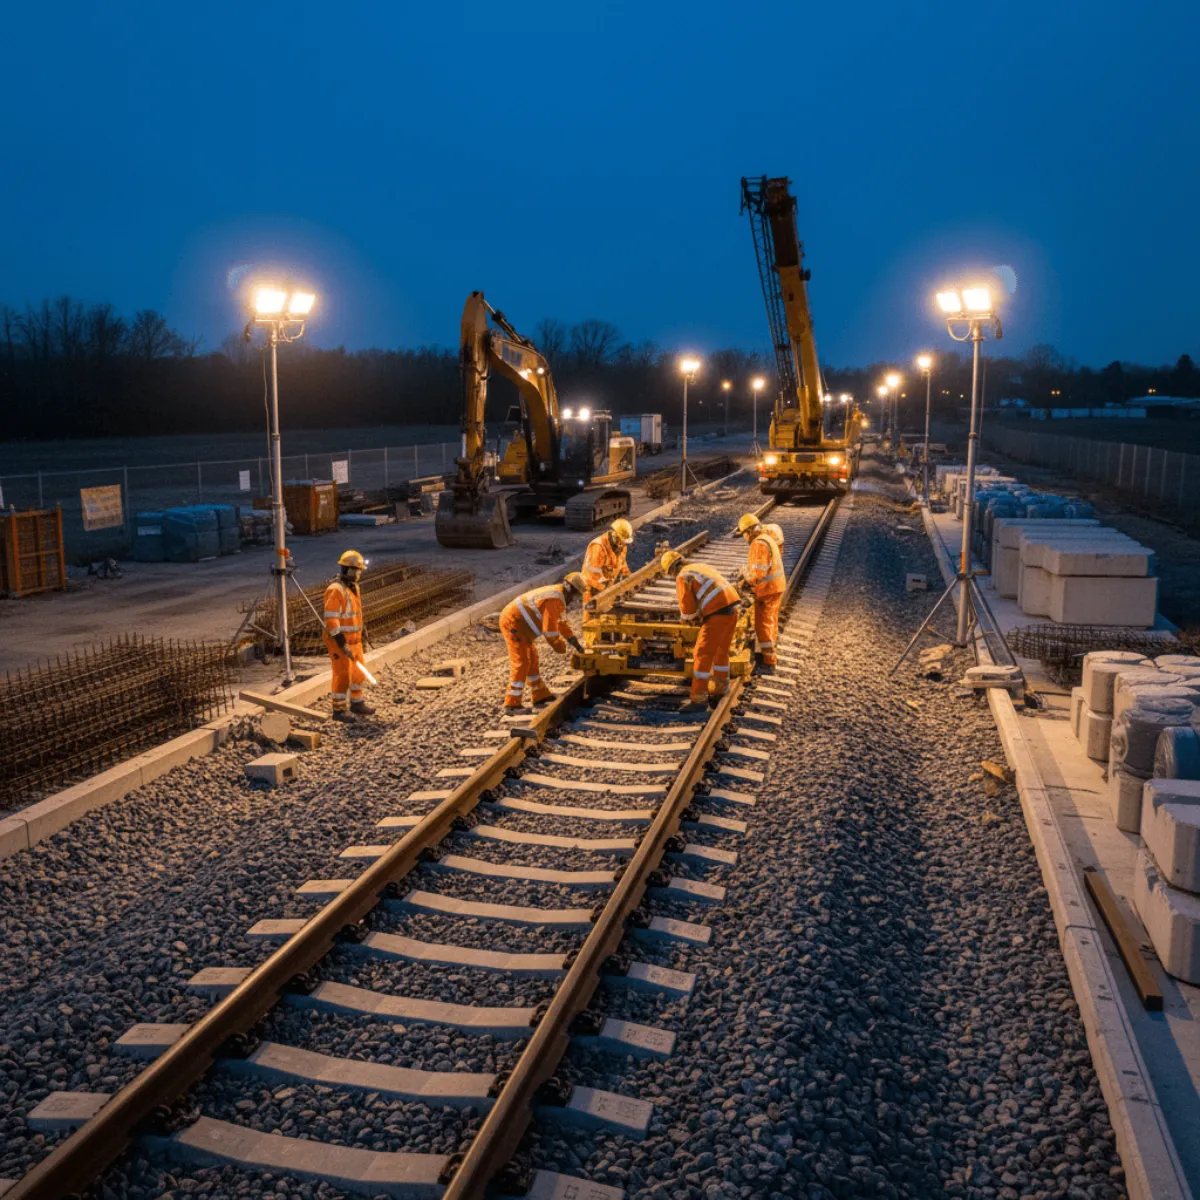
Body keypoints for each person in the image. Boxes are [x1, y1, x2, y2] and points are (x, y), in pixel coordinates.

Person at [661, 550, 741, 713]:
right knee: (721, 651)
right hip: (732, 608)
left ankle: (699, 699)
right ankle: (720, 688)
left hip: (717, 612)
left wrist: (689, 619)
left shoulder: (683, 576)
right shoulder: (700, 567)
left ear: (672, 570)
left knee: (702, 653)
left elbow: (687, 607)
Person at [499, 571, 586, 709]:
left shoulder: (558, 597)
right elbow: (549, 631)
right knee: (522, 661)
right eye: (575, 595)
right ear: (569, 588)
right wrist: (558, 645)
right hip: (513, 623)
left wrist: (573, 641)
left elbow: (560, 623)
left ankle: (540, 694)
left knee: (532, 658)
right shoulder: (555, 599)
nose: (574, 599)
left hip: (520, 625)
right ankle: (511, 703)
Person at [324, 549, 374, 722]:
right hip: (339, 640)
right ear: (348, 569)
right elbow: (331, 619)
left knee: (358, 672)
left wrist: (362, 632)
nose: (359, 573)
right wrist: (341, 642)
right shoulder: (335, 590)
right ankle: (338, 711)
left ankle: (357, 703)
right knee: (343, 674)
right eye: (357, 570)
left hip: (355, 639)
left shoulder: (354, 587)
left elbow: (356, 613)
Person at [737, 513, 786, 671]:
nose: (745, 538)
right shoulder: (767, 538)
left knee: (763, 625)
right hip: (775, 587)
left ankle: (768, 662)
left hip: (767, 590)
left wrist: (744, 578)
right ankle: (768, 655)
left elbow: (757, 574)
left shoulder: (758, 544)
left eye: (744, 534)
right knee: (771, 622)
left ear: (750, 531)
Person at [581, 518, 634, 604]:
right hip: (593, 588)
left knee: (608, 609)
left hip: (607, 586)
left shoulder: (621, 546)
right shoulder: (598, 547)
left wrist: (627, 576)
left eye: (624, 542)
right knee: (592, 610)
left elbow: (621, 561)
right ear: (615, 535)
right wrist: (605, 590)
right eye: (621, 541)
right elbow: (592, 574)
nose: (623, 544)